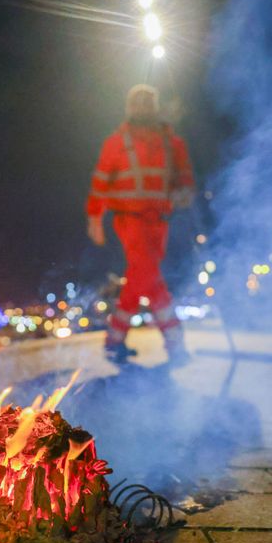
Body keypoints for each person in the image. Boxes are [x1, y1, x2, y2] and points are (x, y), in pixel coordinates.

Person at [86, 84, 195, 364]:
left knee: (141, 279)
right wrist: (95, 217)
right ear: (129, 108)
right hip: (130, 221)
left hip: (159, 222)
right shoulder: (117, 142)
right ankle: (174, 342)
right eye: (138, 104)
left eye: (147, 104)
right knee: (148, 276)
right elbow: (100, 183)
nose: (142, 109)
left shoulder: (173, 144)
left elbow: (183, 177)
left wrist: (184, 192)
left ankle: (114, 341)